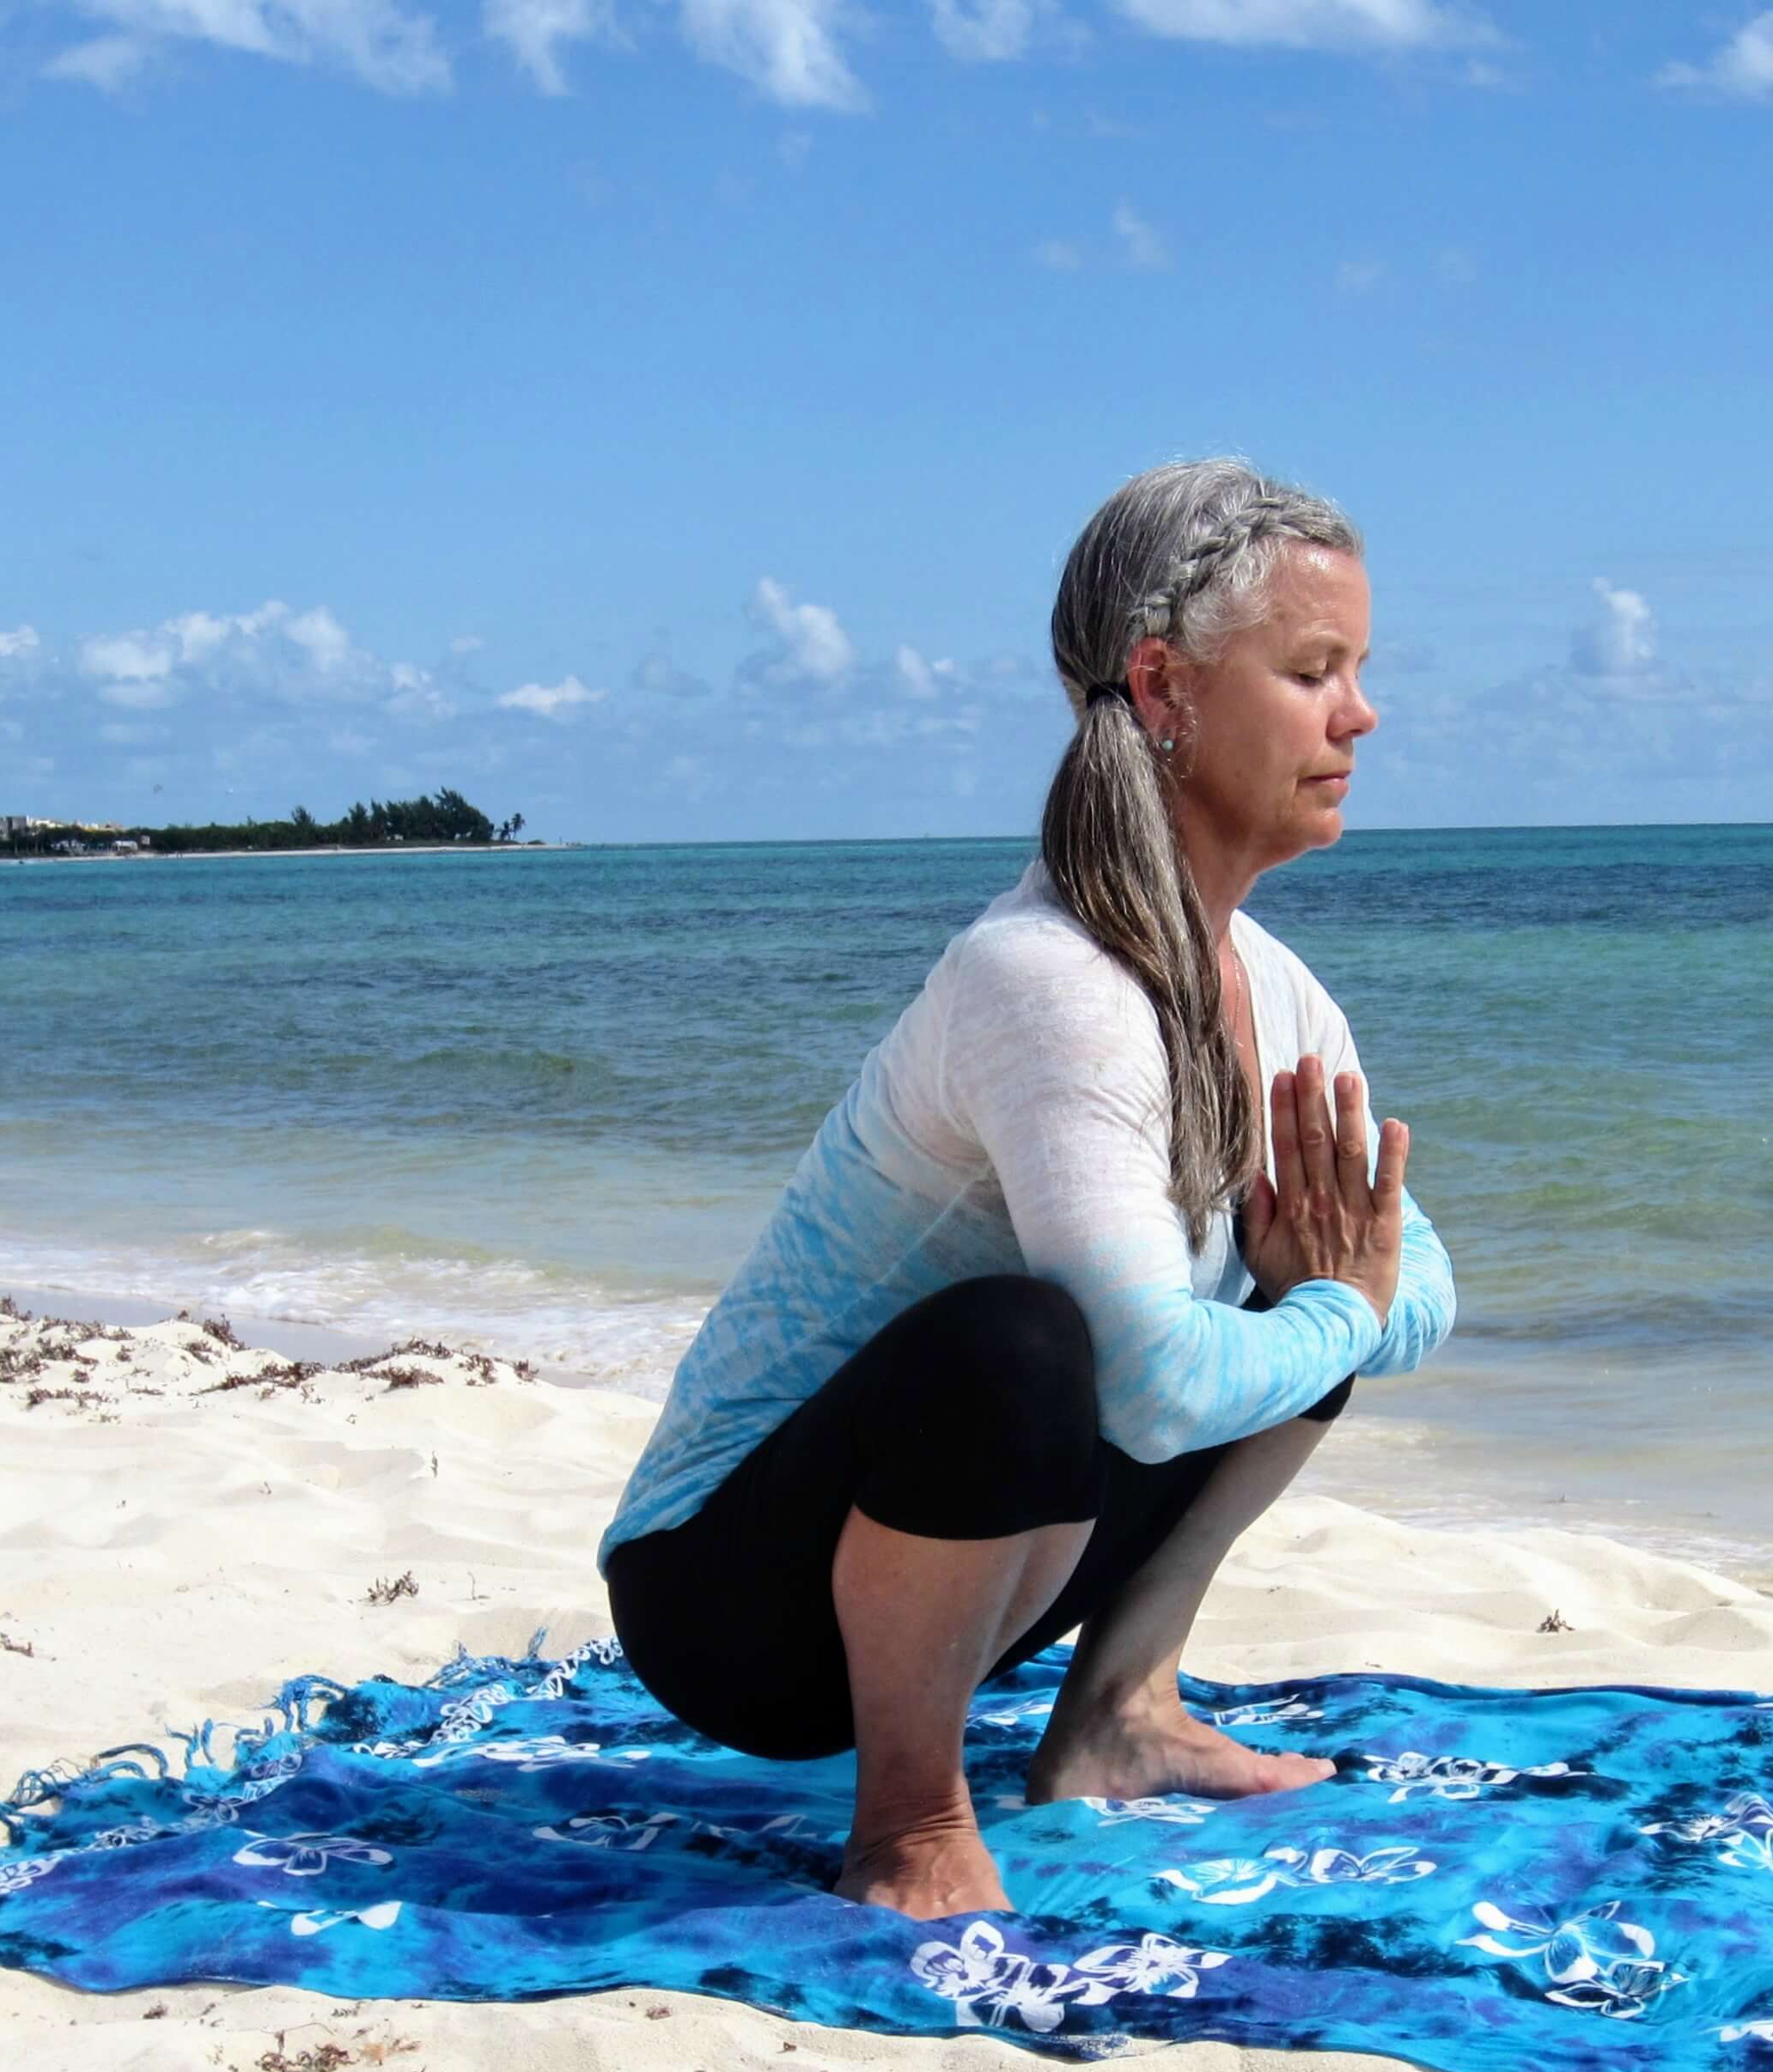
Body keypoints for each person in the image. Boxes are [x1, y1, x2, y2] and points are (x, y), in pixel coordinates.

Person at [599, 459, 1457, 1919]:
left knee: (1299, 1292)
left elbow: (1413, 1274)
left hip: (987, 1565)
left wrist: (1334, 1300)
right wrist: (1341, 1305)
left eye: (1359, 672)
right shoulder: (1047, 980)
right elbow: (1161, 1382)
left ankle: (1121, 1710)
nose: (1360, 714)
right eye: (1315, 671)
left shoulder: (1278, 991)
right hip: (731, 1605)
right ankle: (908, 1818)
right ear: (1165, 686)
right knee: (1025, 1343)